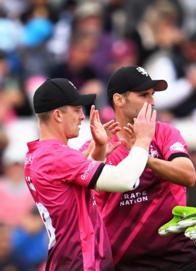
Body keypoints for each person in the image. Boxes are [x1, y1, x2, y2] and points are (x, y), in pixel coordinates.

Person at [24, 78, 156, 270]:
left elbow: (78, 190)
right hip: (81, 263)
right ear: (58, 115)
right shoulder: (56, 156)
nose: (81, 116)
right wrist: (143, 140)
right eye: (77, 110)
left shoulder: (37, 154)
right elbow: (124, 180)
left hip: (71, 260)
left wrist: (99, 148)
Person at [96, 65, 196, 270]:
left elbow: (188, 175)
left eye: (152, 95)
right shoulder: (101, 146)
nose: (152, 102)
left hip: (177, 257)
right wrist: (95, 155)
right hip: (125, 262)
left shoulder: (164, 133)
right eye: (144, 95)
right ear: (119, 100)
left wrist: (143, 155)